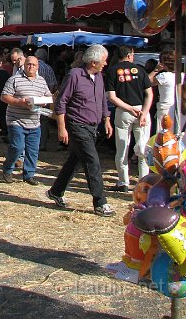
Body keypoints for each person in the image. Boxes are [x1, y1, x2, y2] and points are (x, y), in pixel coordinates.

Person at [47, 44, 115, 217]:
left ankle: (56, 191)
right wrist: (62, 128)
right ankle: (100, 202)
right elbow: (61, 102)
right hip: (77, 125)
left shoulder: (99, 77)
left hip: (92, 127)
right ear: (93, 62)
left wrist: (107, 120)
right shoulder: (75, 75)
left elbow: (101, 100)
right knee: (93, 162)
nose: (105, 64)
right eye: (103, 61)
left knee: (75, 161)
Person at [105, 45, 153, 192]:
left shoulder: (112, 71)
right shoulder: (140, 70)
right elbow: (149, 94)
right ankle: (143, 183)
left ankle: (123, 182)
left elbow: (111, 97)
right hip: (141, 111)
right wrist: (144, 112)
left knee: (122, 148)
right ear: (130, 55)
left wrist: (128, 108)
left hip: (123, 111)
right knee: (143, 148)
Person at [1, 56, 51, 185]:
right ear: (24, 65)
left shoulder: (41, 81)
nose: (31, 67)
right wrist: (20, 102)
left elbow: (48, 96)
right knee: (17, 147)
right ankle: (8, 168)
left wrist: (44, 102)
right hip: (16, 120)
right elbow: (4, 96)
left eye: (34, 65)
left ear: (37, 67)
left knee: (33, 150)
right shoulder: (14, 79)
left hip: (34, 121)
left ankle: (29, 174)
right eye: (29, 64)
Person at [148, 50, 185, 132]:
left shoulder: (163, 76)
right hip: (180, 107)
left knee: (163, 135)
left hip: (165, 108)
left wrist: (156, 70)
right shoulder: (182, 76)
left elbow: (147, 82)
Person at [34, 48, 58, 152]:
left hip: (33, 98)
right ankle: (42, 144)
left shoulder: (31, 66)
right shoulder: (49, 68)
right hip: (45, 98)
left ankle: (32, 143)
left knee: (32, 120)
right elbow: (53, 84)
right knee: (44, 121)